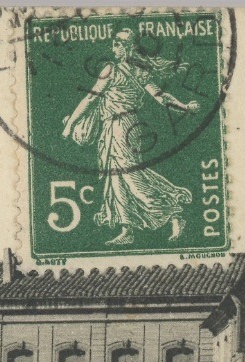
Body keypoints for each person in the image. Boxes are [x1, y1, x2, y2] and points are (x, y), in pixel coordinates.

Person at [59, 28, 199, 246]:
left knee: (131, 177)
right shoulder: (142, 73)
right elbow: (162, 98)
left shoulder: (111, 70)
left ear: (126, 48)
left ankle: (173, 212)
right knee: (116, 177)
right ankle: (127, 229)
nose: (113, 48)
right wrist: (186, 107)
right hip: (127, 127)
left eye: (117, 44)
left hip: (119, 126)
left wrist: (70, 124)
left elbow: (90, 98)